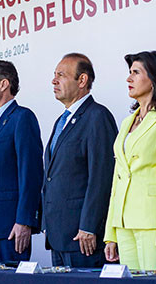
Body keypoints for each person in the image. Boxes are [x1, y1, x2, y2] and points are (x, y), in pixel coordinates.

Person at [104, 51, 156, 271]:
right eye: (129, 73)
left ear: (154, 78)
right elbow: (117, 179)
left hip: (153, 225)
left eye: (136, 73)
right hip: (123, 223)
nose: (128, 79)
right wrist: (110, 232)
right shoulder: (126, 123)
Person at [43, 53, 117, 268]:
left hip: (82, 237)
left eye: (61, 75)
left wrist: (89, 225)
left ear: (82, 80)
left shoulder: (97, 116)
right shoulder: (61, 120)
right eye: (54, 75)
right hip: (59, 235)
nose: (54, 81)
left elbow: (102, 177)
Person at [0, 60, 43, 263]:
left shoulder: (22, 118)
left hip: (9, 227)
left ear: (4, 84)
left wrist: (24, 220)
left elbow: (31, 174)